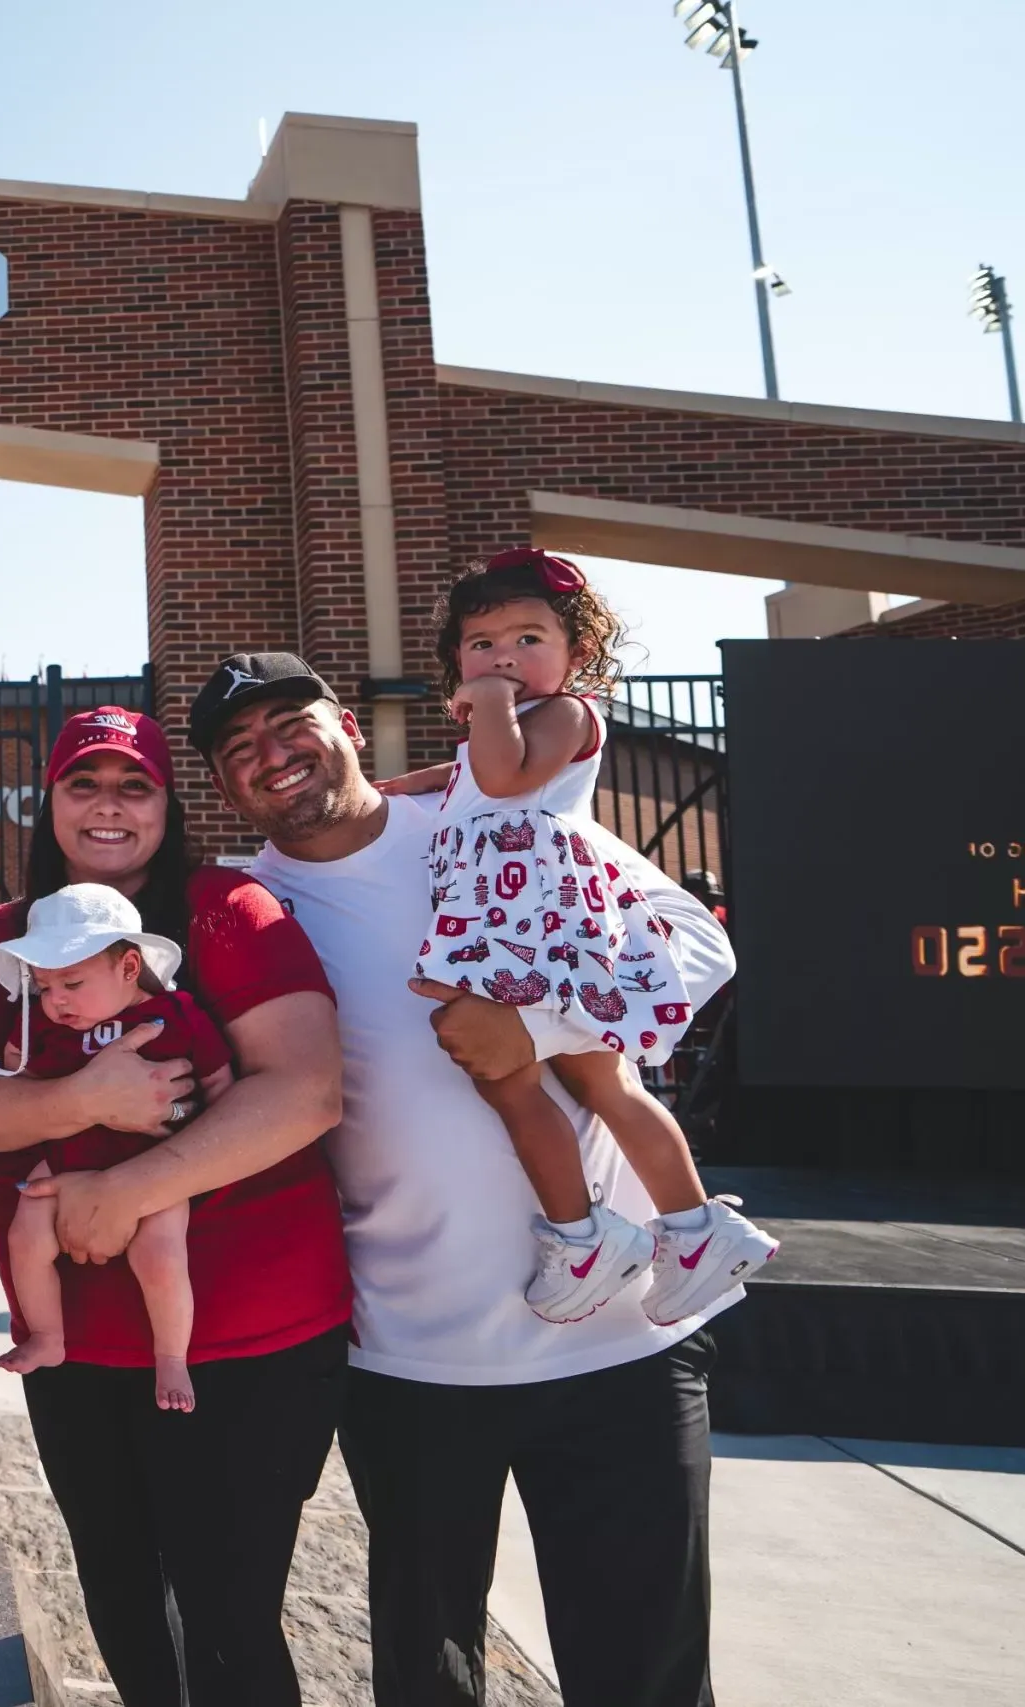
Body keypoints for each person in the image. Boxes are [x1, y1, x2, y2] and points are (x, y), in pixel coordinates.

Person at [198, 650, 737, 1707]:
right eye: (237, 749)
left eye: (289, 723)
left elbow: (696, 945)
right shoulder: (236, 907)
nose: (272, 756)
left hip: (622, 1342)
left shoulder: (492, 812)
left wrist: (535, 1021)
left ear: (344, 723)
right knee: (425, 1680)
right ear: (221, 784)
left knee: (650, 1678)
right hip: (409, 1361)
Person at [0, 705, 349, 1707]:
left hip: (248, 1333)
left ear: (168, 805)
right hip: (76, 1345)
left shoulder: (225, 912)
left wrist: (123, 1192)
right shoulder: (7, 942)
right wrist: (85, 1097)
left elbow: (305, 1091)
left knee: (227, 1617)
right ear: (50, 801)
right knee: (119, 1595)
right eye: (83, 784)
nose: (107, 807)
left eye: (134, 787)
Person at [389, 550, 775, 1323]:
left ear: (578, 654)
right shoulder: (502, 731)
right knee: (596, 1081)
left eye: (528, 639)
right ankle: (693, 1229)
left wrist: (488, 701)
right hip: (521, 919)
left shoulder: (565, 714)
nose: (503, 657)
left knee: (524, 1080)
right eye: (482, 644)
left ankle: (587, 1235)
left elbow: (501, 779)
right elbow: (470, 774)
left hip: (531, 921)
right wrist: (410, 783)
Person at [0, 886, 233, 1413]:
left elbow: (220, 1083)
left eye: (72, 983)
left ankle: (171, 1357)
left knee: (162, 1254)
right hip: (69, 1151)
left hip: (157, 1161)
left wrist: (202, 1137)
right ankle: (48, 1336)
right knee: (25, 1234)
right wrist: (16, 1055)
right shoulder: (44, 1023)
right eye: (45, 985)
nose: (57, 1000)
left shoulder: (177, 1014)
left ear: (128, 967)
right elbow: (11, 1073)